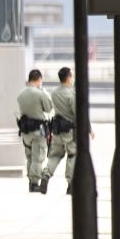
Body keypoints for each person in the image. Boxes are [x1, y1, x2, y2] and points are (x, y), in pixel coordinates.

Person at [16, 69, 54, 193]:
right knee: (37, 158)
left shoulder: (21, 94)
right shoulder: (40, 93)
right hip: (38, 130)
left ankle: (30, 180)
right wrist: (43, 91)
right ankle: (34, 183)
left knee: (29, 157)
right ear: (39, 79)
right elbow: (48, 108)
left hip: (25, 130)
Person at [42, 66, 79, 195]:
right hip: (69, 131)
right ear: (68, 78)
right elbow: (77, 113)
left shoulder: (55, 92)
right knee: (72, 155)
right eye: (72, 76)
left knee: (55, 155)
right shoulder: (71, 94)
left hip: (57, 130)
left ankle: (46, 175)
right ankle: (71, 184)